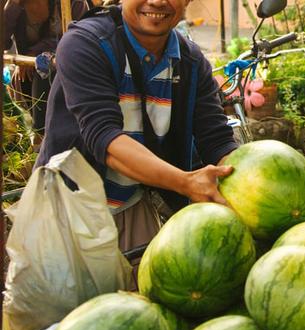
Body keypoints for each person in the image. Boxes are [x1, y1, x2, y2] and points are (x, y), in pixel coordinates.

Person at [35, 0, 238, 252]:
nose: (157, 1)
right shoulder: (86, 43)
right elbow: (104, 138)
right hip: (67, 204)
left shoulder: (190, 62)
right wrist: (186, 182)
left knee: (143, 287)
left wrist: (249, 183)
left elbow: (217, 139)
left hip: (130, 205)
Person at [3, 0, 88, 139]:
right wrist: (12, 6)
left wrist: (36, 53)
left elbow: (81, 37)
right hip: (27, 75)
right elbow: (3, 41)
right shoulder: (16, 6)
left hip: (69, 73)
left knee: (44, 72)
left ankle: (42, 135)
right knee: (29, 77)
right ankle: (40, 137)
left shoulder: (73, 3)